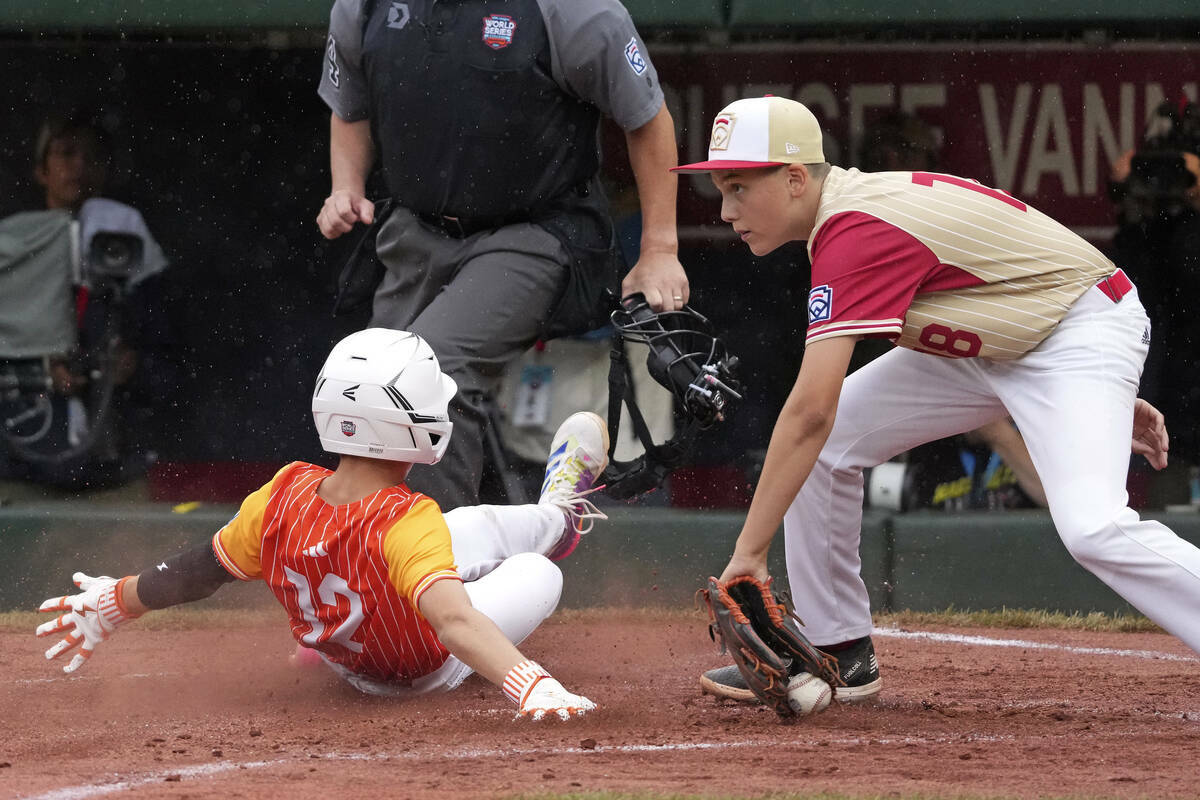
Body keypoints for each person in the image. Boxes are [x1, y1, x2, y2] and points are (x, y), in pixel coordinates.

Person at [670, 95, 1193, 704]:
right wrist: (1087, 403)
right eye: (721, 190)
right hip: (1006, 336)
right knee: (830, 449)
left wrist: (748, 553)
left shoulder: (853, 228)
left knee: (1092, 528)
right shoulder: (842, 216)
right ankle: (841, 652)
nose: (727, 209)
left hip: (1073, 331)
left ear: (793, 179)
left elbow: (810, 410)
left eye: (738, 187)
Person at [36, 328, 608, 719]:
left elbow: (200, 570)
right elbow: (455, 624)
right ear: (409, 423)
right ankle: (558, 522)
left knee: (466, 526)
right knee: (535, 570)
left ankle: (556, 518)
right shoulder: (408, 519)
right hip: (424, 671)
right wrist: (531, 684)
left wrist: (118, 601)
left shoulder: (282, 490)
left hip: (348, 661)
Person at [314, 0, 688, 510]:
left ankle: (438, 565)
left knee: (431, 374)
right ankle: (417, 547)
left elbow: (647, 118)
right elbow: (349, 105)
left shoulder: (575, 11)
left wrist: (660, 249)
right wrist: (346, 186)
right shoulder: (363, 7)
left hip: (534, 229)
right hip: (417, 227)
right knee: (373, 386)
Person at [0, 109, 172, 491]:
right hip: (32, 422)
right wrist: (45, 363)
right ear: (41, 170)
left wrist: (130, 357)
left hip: (114, 424)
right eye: (66, 153)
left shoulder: (125, 231)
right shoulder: (13, 245)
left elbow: (159, 327)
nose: (79, 165)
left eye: (91, 157)